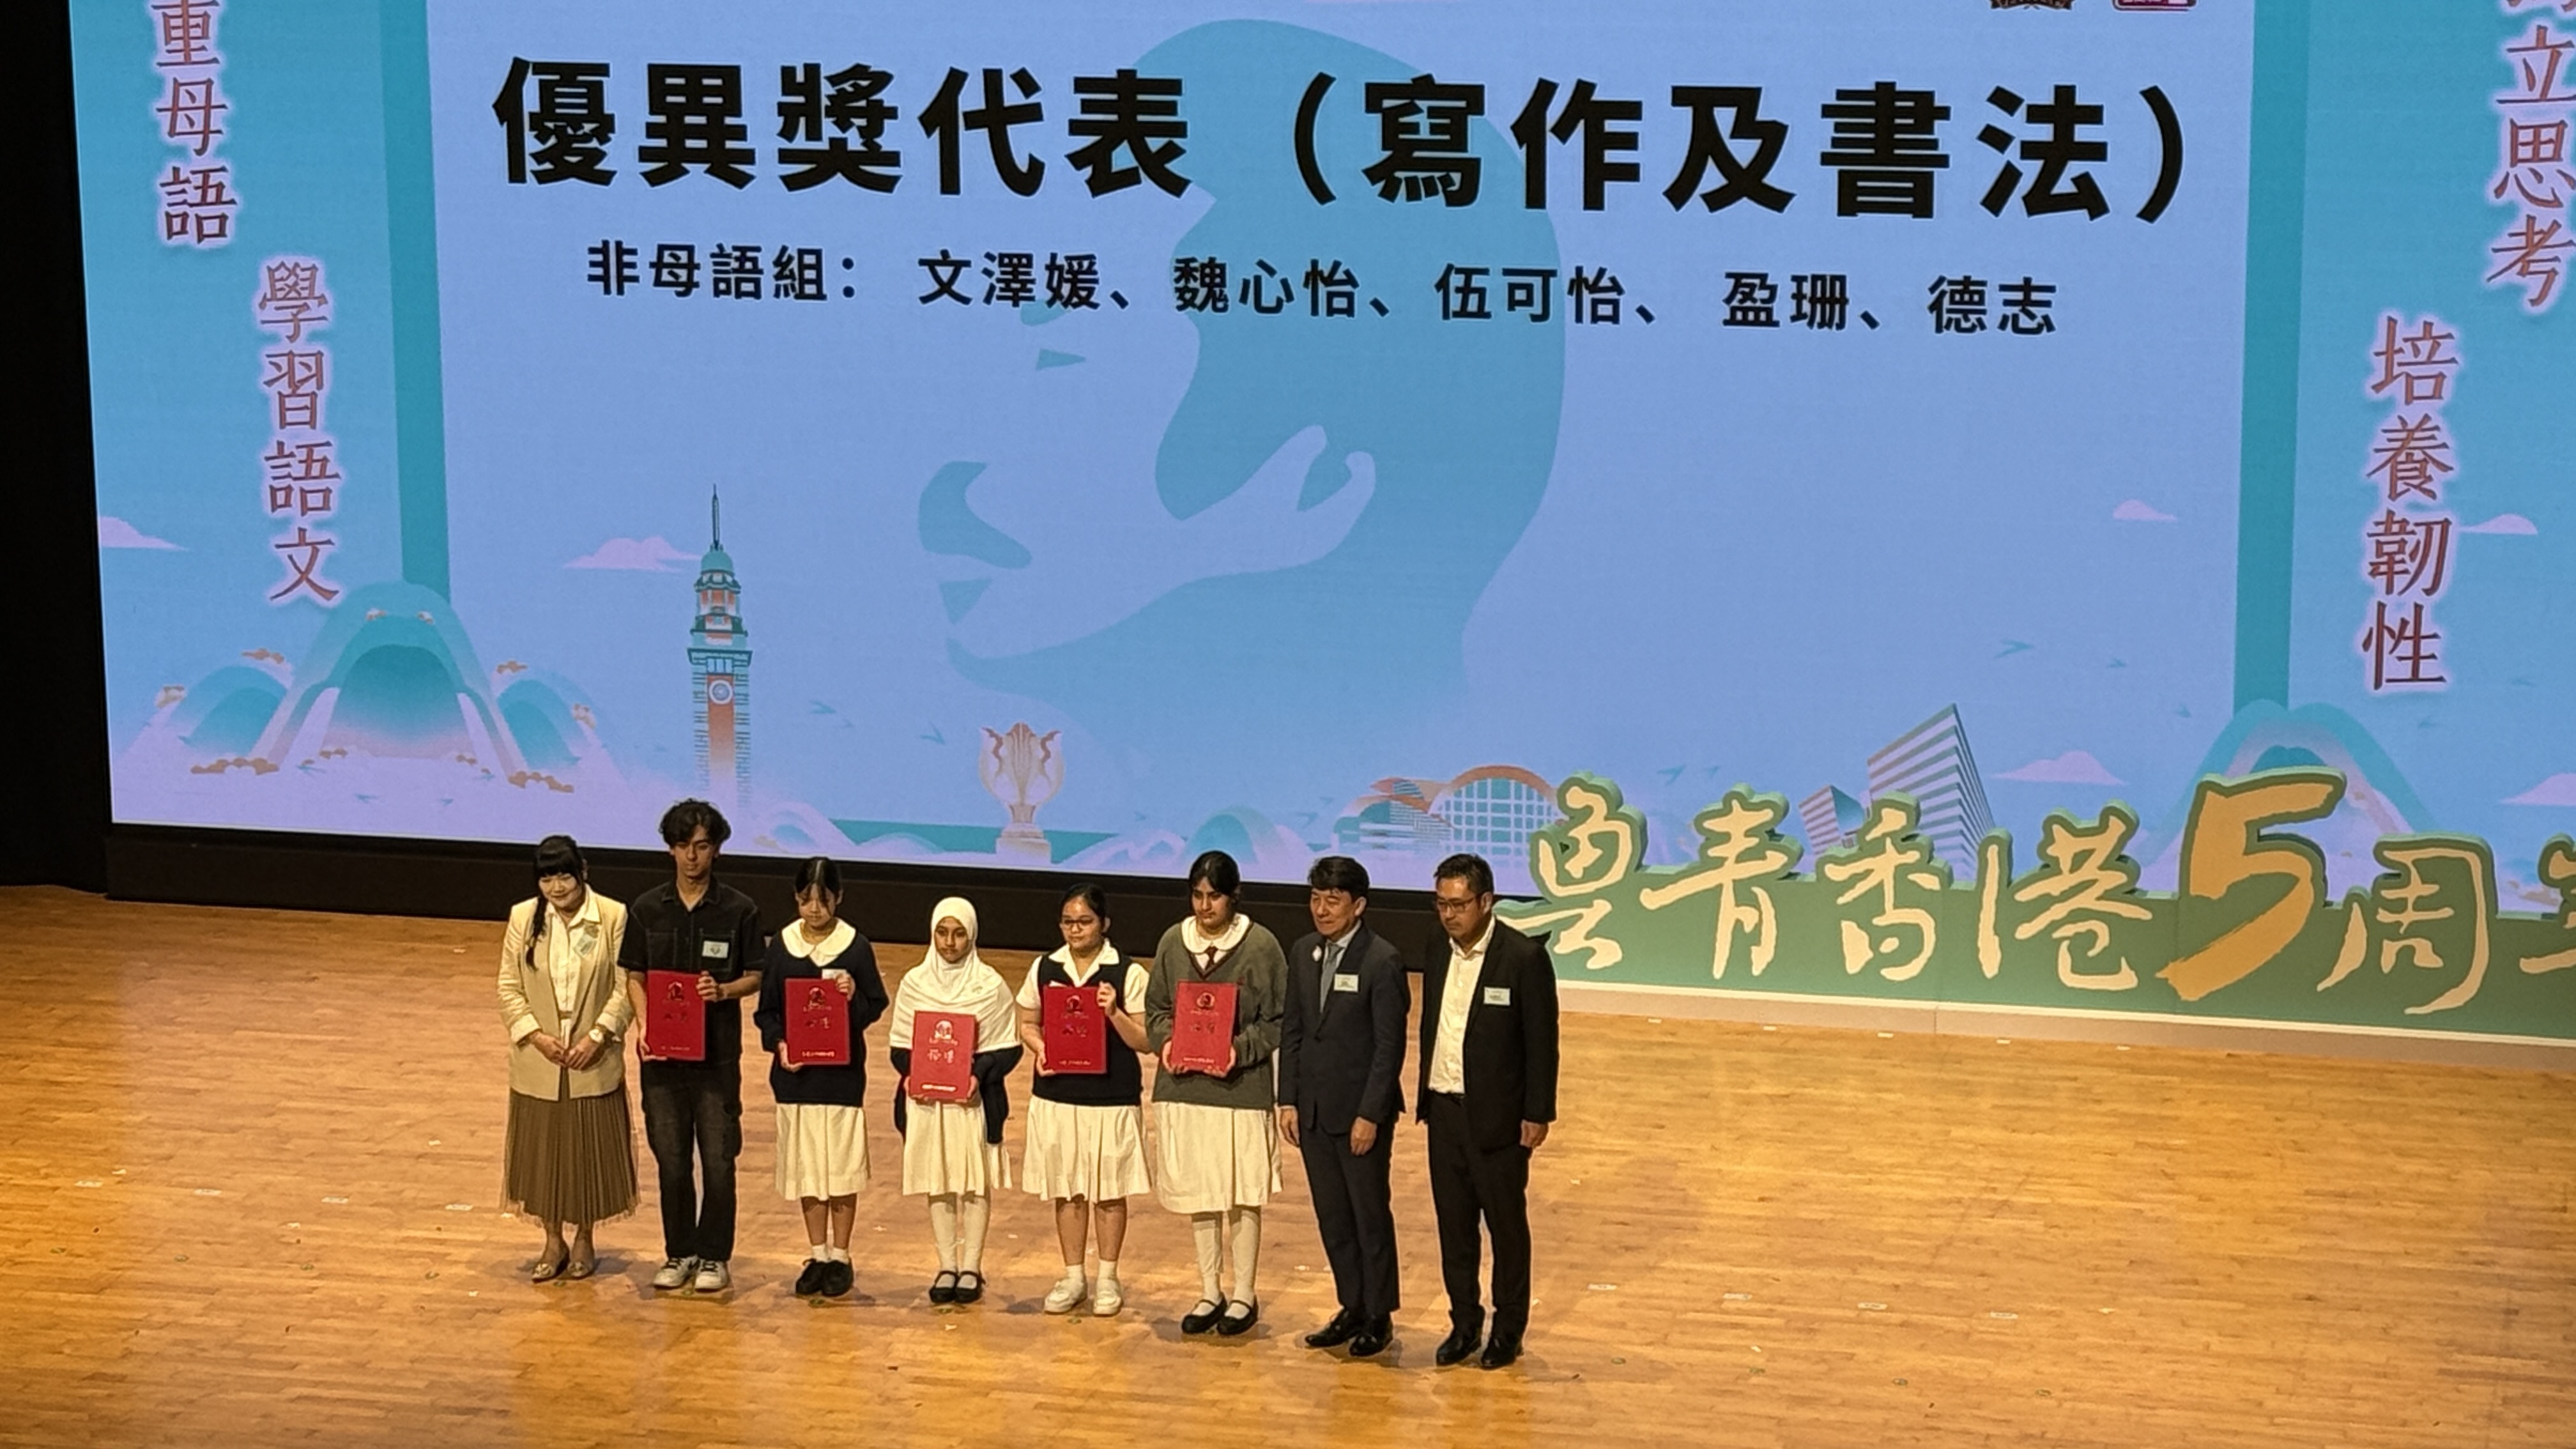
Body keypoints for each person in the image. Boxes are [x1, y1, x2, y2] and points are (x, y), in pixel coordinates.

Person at [1418, 852, 1559, 1371]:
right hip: (1444, 1112)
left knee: (1506, 1229)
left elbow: (1541, 1043)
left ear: (1486, 901)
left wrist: (1537, 1112)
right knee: (1454, 1229)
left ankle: (1508, 1329)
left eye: (1458, 905)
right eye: (1441, 904)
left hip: (1499, 1119)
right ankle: (1463, 1324)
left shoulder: (1522, 958)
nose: (1449, 915)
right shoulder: (1436, 951)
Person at [620, 799, 765, 1295]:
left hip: (716, 1059)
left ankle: (714, 1256)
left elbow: (756, 975)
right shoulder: (646, 909)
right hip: (662, 1062)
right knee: (672, 1160)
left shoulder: (739, 909)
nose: (691, 857)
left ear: (717, 849)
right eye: (682, 846)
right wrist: (644, 1026)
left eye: (701, 846)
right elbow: (634, 975)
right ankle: (679, 1251)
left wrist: (722, 991)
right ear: (670, 849)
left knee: (719, 1162)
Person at [1144, 850, 1287, 1337]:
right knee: (1200, 1190)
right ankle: (1210, 1290)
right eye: (1198, 896)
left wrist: (1238, 1050)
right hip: (1185, 1089)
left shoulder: (1261, 945)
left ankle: (1244, 1293)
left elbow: (1278, 1019)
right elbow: (1156, 1009)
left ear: (1234, 897)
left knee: (1242, 1192)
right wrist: (1167, 1043)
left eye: (1215, 897)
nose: (1205, 907)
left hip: (1240, 1092)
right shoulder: (1173, 942)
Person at [1276, 855, 1408, 1358]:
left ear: (1359, 906)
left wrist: (1370, 1114)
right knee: (1332, 1217)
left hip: (1359, 1116)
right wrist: (1288, 1098)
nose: (1322, 909)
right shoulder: (1303, 951)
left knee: (1368, 1216)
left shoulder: (1382, 960)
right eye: (1316, 898)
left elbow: (1388, 1048)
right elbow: (1293, 1030)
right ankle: (1351, 1305)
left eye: (1333, 900)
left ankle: (1379, 1314)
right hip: (1312, 1111)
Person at [496, 835, 636, 1282]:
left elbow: (625, 986)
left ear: (583, 872)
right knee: (543, 1151)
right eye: (547, 878)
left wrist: (598, 1035)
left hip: (592, 1054)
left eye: (564, 876)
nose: (556, 888)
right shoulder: (524, 916)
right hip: (540, 1055)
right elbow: (508, 986)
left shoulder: (612, 915)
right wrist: (536, 1036)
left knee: (587, 1149)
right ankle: (552, 1238)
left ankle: (585, 1237)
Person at [751, 857, 889, 1300]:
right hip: (796, 1080)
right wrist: (780, 1045)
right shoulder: (782, 946)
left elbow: (875, 1006)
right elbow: (767, 1012)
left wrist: (853, 998)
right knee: (808, 1170)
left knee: (840, 1169)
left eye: (823, 900)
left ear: (838, 898)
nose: (814, 909)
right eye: (805, 900)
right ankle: (817, 1253)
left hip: (841, 1079)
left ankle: (841, 1256)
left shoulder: (855, 947)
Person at [1015, 883, 1153, 1316]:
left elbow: (1146, 1041)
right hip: (1058, 1096)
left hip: (1111, 1096)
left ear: (1104, 923)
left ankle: (1108, 1278)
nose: (1076, 930)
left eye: (1085, 922)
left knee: (1110, 1190)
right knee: (1068, 1188)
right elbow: (1027, 1022)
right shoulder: (1044, 968)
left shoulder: (1128, 973)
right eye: (1068, 922)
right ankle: (1073, 1276)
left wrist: (1114, 1013)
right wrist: (1042, 1050)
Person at [887, 896, 1021, 1307]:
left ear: (972, 935)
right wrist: (912, 1071)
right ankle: (947, 1265)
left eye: (959, 933)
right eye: (942, 933)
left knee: (974, 1182)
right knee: (939, 1180)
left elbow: (1008, 1047)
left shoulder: (990, 985)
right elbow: (899, 1046)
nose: (949, 942)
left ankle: (972, 1267)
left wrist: (977, 1076)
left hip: (973, 1102)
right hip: (928, 1103)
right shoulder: (915, 983)